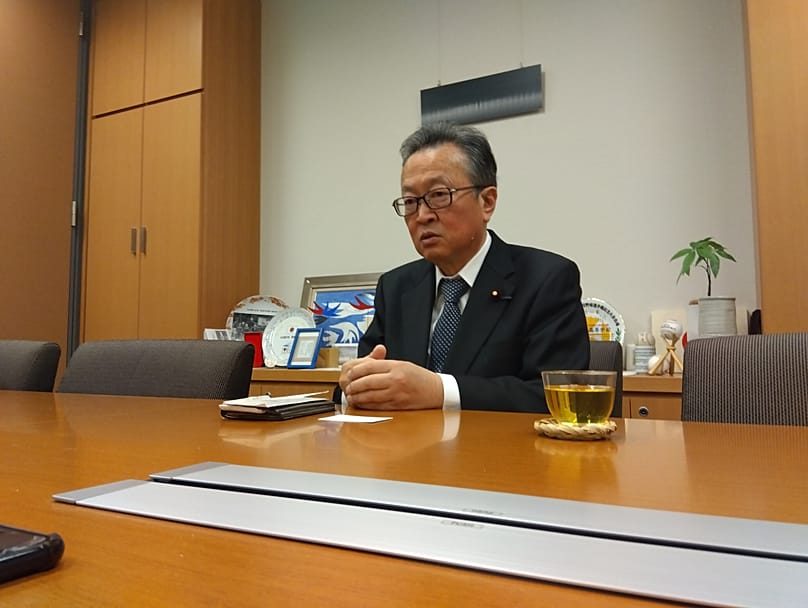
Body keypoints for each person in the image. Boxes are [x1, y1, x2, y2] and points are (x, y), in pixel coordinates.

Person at [339, 122, 589, 413]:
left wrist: (439, 390)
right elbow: (367, 378)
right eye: (410, 201)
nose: (422, 216)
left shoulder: (546, 279)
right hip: (406, 453)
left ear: (487, 202)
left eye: (439, 195)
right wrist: (353, 385)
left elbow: (558, 397)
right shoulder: (396, 287)